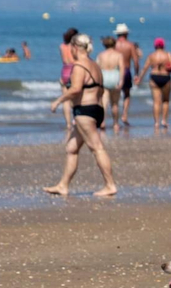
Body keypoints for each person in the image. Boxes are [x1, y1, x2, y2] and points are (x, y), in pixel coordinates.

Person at [45, 33, 118, 197]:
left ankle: (110, 185)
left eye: (71, 47)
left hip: (85, 111)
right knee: (71, 148)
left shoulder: (79, 66)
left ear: (75, 47)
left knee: (97, 148)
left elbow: (76, 89)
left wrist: (58, 101)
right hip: (96, 110)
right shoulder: (94, 65)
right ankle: (63, 185)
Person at [139, 38, 171, 129]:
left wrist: (140, 78)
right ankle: (164, 121)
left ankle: (156, 122)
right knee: (165, 100)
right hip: (165, 77)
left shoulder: (151, 56)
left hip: (154, 77)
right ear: (163, 45)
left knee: (156, 102)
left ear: (155, 45)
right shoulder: (168, 55)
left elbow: (145, 68)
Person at [113, 23, 141, 127]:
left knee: (114, 95)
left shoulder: (113, 45)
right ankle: (124, 114)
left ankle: (115, 119)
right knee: (127, 94)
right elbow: (136, 61)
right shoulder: (130, 45)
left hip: (115, 71)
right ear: (126, 34)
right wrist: (136, 74)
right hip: (126, 70)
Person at [97, 34, 126, 130]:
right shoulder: (118, 55)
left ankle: (102, 122)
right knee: (115, 103)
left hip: (104, 77)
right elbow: (122, 68)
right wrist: (121, 81)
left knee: (104, 102)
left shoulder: (101, 55)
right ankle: (115, 123)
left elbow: (97, 69)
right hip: (114, 77)